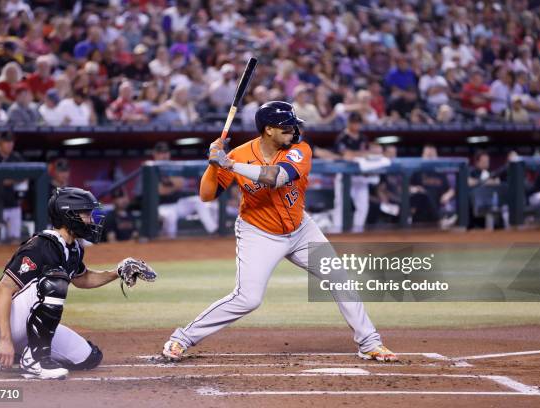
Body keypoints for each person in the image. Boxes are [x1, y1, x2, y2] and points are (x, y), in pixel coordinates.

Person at [162, 101, 396, 362]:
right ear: (268, 130)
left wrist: (228, 165)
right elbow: (207, 195)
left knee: (340, 278)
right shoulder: (238, 154)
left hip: (300, 229)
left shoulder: (299, 149)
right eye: (286, 128)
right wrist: (214, 163)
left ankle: (369, 343)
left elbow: (277, 177)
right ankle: (181, 339)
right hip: (258, 233)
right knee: (248, 299)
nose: (293, 132)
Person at [0, 187, 155, 379]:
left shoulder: (73, 248)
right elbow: (2, 291)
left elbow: (83, 279)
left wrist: (117, 272)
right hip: (2, 320)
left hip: (27, 323)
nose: (91, 220)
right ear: (68, 215)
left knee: (89, 358)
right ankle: (34, 358)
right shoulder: (40, 246)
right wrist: (5, 339)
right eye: (85, 214)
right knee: (55, 280)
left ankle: (1, 353)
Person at [151, 142, 218, 238]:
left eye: (166, 152)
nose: (164, 155)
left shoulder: (172, 167)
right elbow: (160, 191)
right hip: (161, 206)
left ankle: (214, 231)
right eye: (161, 153)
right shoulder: (151, 168)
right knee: (170, 216)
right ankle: (169, 243)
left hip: (177, 203)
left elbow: (180, 184)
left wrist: (169, 186)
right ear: (155, 154)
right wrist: (173, 184)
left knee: (197, 200)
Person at [0, 132, 25, 241]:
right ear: (0, 142)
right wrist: (5, 180)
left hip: (14, 204)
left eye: (11, 142)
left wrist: (11, 180)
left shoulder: (16, 157)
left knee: (15, 238)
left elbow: (26, 175)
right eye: (7, 142)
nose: (10, 145)